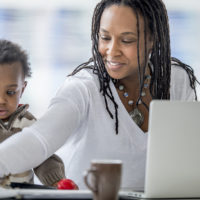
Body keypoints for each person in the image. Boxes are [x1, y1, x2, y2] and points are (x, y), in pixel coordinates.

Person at [0, 0, 199, 190]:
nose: (112, 51)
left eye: (127, 40)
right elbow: (38, 140)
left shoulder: (176, 81)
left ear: (152, 39)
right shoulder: (83, 87)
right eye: (105, 38)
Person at [0, 39, 66, 187]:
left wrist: (58, 181)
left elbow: (44, 157)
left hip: (22, 193)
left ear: (22, 90)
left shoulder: (29, 124)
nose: (2, 100)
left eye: (10, 92)